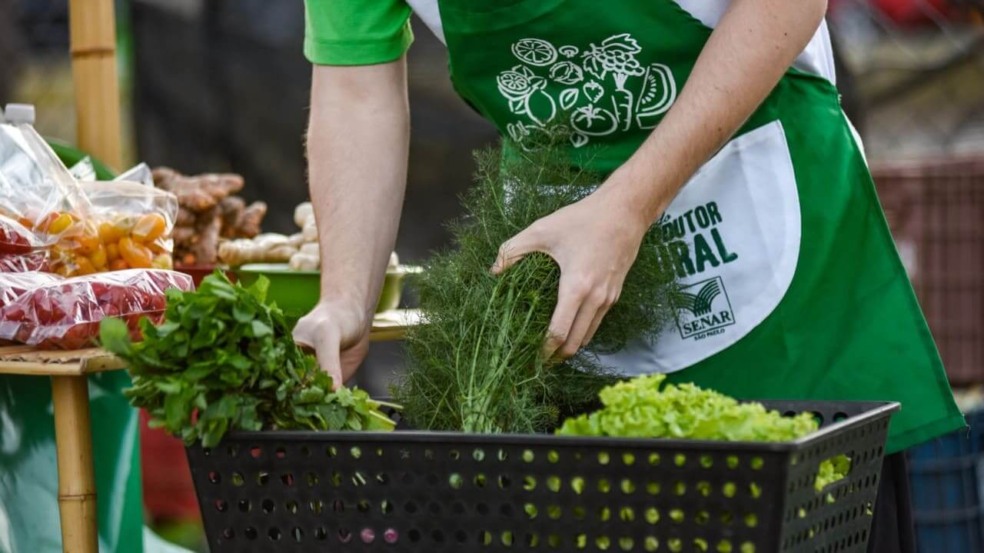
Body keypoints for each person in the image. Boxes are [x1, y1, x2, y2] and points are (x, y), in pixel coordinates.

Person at [293, 2, 963, 551]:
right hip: (564, 263)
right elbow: (356, 89)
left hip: (766, 220)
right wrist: (346, 294)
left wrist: (628, 205)